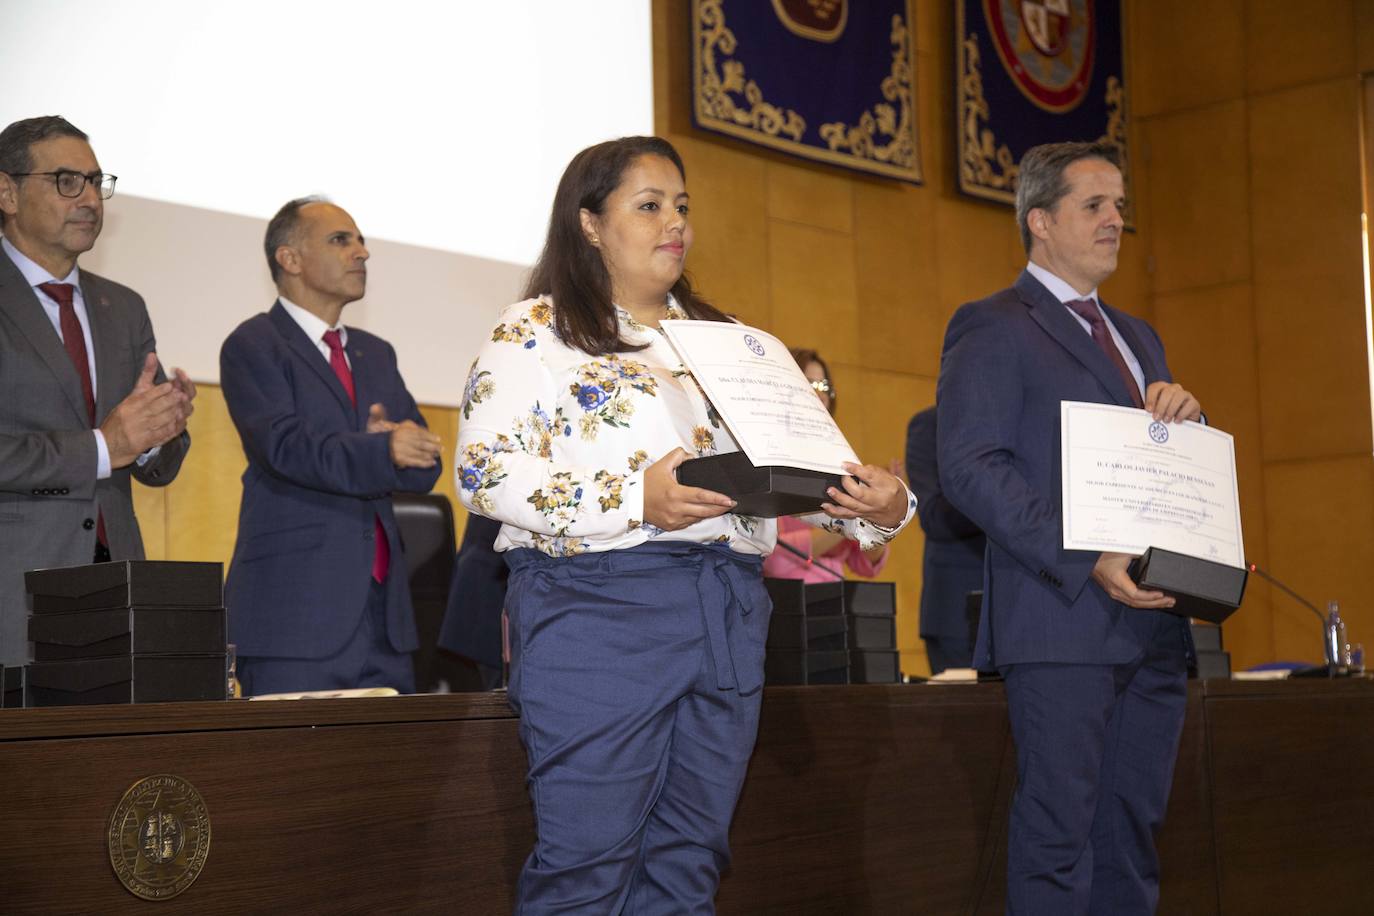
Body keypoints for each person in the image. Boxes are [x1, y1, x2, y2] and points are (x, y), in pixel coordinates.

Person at [456, 135, 914, 913]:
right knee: (586, 870)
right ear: (590, 223)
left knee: (688, 865)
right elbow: (484, 473)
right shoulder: (532, 330)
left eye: (682, 206)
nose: (675, 222)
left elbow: (805, 473)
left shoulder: (737, 343)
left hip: (728, 609)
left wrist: (883, 507)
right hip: (596, 609)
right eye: (649, 205)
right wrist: (636, 500)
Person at [937, 141, 1202, 914]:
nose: (1116, 220)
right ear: (1041, 221)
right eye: (1095, 206)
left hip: (1151, 626)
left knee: (1133, 839)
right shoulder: (991, 325)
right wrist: (1086, 556)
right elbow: (971, 467)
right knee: (1060, 843)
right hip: (1060, 624)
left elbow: (1153, 463)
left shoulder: (1138, 334)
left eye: (1120, 206)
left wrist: (1189, 418)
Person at [221, 197, 442, 696]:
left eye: (361, 240)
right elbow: (286, 447)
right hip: (294, 615)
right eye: (341, 240)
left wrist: (406, 449)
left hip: (385, 617)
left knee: (389, 773)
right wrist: (381, 451)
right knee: (291, 772)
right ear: (290, 259)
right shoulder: (254, 344)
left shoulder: (375, 353)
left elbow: (423, 462)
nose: (362, 252)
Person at [0, 115, 193, 667]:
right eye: (66, 181)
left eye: (96, 181)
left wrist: (160, 432)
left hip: (118, 587)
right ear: (7, 192)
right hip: (15, 592)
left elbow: (158, 465)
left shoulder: (123, 306)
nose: (89, 198)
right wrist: (106, 446)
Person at [762, 347, 888, 583]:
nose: (819, 394)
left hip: (832, 602)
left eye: (824, 387)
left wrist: (876, 517)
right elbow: (772, 556)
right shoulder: (768, 453)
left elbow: (864, 563)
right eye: (809, 384)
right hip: (781, 602)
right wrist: (851, 521)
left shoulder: (840, 461)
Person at [905, 405, 984, 673]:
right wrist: (1001, 493)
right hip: (956, 612)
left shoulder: (1021, 420)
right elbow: (933, 516)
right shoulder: (930, 424)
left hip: (1021, 609)